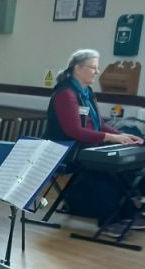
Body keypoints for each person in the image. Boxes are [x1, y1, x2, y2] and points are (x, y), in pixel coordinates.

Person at [44, 48, 144, 236]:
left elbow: (99, 125)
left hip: (85, 146)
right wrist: (112, 138)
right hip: (64, 150)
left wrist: (123, 136)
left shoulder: (86, 92)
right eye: (93, 67)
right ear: (78, 68)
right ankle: (110, 220)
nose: (97, 72)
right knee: (106, 170)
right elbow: (73, 131)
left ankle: (127, 214)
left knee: (122, 168)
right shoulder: (66, 94)